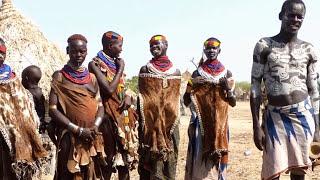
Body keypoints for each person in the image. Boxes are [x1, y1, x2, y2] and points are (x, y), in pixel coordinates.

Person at [250, 0, 320, 179]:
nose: (295, 19)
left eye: (300, 16)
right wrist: (256, 126)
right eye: (291, 15)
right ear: (281, 16)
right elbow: (255, 88)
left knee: (299, 173)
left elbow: (314, 90)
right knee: (273, 172)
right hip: (274, 118)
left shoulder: (309, 50)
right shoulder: (264, 46)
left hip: (303, 116)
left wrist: (318, 128)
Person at [49, 34, 106, 179]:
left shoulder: (91, 78)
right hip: (70, 137)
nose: (78, 55)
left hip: (91, 138)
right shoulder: (59, 77)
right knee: (68, 173)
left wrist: (95, 126)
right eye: (74, 51)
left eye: (82, 51)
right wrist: (79, 130)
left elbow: (100, 105)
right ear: (68, 50)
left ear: (87, 52)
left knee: (89, 174)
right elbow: (53, 110)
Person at [183, 37, 236, 180]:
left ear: (219, 50)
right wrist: (191, 85)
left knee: (217, 163)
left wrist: (227, 89)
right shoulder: (197, 73)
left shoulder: (226, 73)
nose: (211, 50)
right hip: (200, 126)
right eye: (208, 48)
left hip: (221, 126)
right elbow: (186, 101)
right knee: (200, 162)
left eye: (214, 48)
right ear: (204, 50)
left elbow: (233, 102)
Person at [89, 31, 138, 180]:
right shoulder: (95, 64)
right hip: (105, 115)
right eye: (119, 46)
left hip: (122, 114)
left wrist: (128, 97)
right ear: (110, 46)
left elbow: (121, 89)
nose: (121, 49)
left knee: (124, 158)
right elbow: (109, 89)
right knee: (108, 159)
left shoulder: (115, 62)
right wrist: (121, 68)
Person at [0, 37, 47, 179]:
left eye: (2, 52)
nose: (0, 56)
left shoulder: (12, 76)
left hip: (13, 134)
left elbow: (23, 105)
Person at [137, 34, 181, 179]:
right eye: (151, 46)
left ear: (166, 45)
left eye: (158, 44)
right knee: (150, 159)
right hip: (149, 126)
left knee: (169, 157)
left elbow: (174, 100)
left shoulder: (176, 72)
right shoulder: (145, 70)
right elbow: (144, 99)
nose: (154, 48)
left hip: (171, 125)